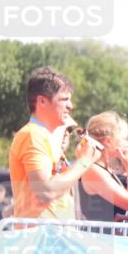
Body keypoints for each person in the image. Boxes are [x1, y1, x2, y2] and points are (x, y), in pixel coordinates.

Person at [9, 67, 101, 220]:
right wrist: (85, 161)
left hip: (54, 237)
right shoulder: (33, 135)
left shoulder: (45, 137)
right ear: (42, 101)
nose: (71, 106)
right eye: (64, 99)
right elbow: (46, 191)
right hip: (40, 239)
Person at [77, 112, 128, 221]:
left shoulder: (103, 168)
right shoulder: (93, 170)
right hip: (98, 237)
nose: (124, 143)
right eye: (122, 139)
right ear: (108, 141)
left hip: (108, 237)